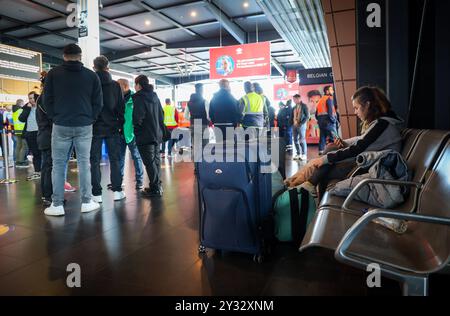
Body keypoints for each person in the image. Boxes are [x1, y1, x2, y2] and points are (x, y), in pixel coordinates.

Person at [301, 86, 403, 199]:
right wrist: (343, 143)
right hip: (370, 164)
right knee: (331, 148)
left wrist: (324, 159)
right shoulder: (384, 123)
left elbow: (358, 149)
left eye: (357, 108)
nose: (355, 112)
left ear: (367, 105)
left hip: (375, 169)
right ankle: (309, 185)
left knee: (324, 173)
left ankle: (310, 187)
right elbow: (363, 140)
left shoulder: (382, 125)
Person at [43, 43, 103, 216]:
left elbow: (47, 100)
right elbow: (98, 102)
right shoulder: (91, 76)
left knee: (59, 165)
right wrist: (90, 118)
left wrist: (55, 117)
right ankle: (86, 201)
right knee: (84, 163)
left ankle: (57, 204)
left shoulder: (53, 74)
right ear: (80, 55)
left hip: (61, 124)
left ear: (64, 56)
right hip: (84, 125)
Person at [90, 55, 125, 203]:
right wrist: (119, 125)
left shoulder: (90, 84)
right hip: (112, 128)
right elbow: (120, 108)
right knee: (115, 160)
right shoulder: (116, 85)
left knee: (94, 161)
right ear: (107, 68)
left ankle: (96, 194)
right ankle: (117, 191)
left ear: (94, 67)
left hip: (94, 127)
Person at [132, 75, 165, 198]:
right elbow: (161, 113)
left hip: (145, 135)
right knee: (155, 161)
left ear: (139, 85)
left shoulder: (139, 98)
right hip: (157, 134)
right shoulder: (155, 96)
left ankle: (155, 188)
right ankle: (156, 185)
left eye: (135, 84)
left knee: (149, 162)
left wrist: (136, 129)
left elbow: (137, 118)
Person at [116, 78, 144, 190]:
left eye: (118, 86)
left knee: (136, 157)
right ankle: (118, 181)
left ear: (124, 86)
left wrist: (135, 128)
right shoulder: (117, 98)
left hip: (132, 134)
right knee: (120, 158)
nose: (116, 88)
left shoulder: (135, 98)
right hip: (120, 133)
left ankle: (140, 181)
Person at [19, 92, 42, 180]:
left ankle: (45, 171)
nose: (31, 100)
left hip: (40, 132)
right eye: (29, 98)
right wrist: (27, 109)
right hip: (30, 133)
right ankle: (37, 172)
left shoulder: (41, 107)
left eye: (32, 98)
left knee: (43, 153)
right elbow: (21, 119)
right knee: (35, 153)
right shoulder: (26, 108)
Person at [185, 83, 210, 152]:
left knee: (195, 145)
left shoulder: (189, 102)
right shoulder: (205, 101)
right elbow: (208, 116)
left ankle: (196, 162)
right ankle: (204, 162)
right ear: (202, 90)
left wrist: (192, 120)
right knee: (205, 145)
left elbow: (185, 116)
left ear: (195, 90)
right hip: (203, 125)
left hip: (193, 125)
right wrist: (208, 121)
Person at [316, 85, 337, 155]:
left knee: (322, 137)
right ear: (327, 91)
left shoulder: (320, 100)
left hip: (321, 122)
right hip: (328, 121)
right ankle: (334, 152)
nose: (333, 91)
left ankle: (321, 151)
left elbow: (316, 114)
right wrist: (333, 120)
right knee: (334, 137)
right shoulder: (328, 99)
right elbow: (330, 112)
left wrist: (320, 120)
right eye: (331, 90)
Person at [292, 94, 309, 161]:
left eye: (295, 99)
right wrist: (291, 124)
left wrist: (302, 123)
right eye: (293, 99)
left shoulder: (304, 106)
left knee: (302, 139)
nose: (294, 100)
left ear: (299, 98)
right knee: (295, 140)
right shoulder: (294, 107)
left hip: (301, 125)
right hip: (294, 125)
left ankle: (304, 154)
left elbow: (307, 116)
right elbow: (292, 116)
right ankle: (298, 153)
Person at [12, 99, 29, 168]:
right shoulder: (21, 111)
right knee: (24, 146)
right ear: (21, 104)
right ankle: (21, 161)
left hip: (17, 130)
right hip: (22, 130)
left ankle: (17, 160)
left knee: (18, 146)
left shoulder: (14, 111)